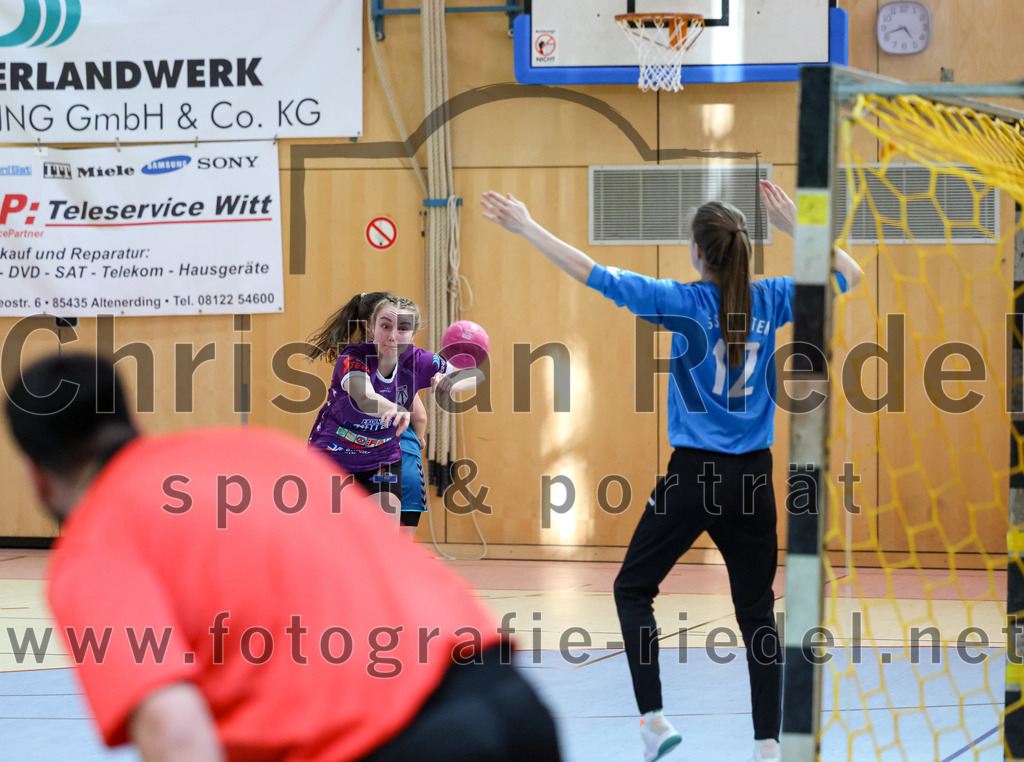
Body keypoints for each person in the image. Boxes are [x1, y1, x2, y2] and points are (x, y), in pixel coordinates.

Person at [3, 352, 562, 761]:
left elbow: (175, 735)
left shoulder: (94, 544)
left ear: (38, 477)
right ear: (131, 423)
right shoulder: (261, 450)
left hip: (388, 745)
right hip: (511, 702)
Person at [482, 182, 862, 762]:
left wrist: (528, 226)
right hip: (754, 480)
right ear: (743, 251)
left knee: (633, 589)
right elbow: (850, 273)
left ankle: (654, 719)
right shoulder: (776, 298)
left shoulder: (680, 302)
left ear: (696, 251)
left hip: (694, 477)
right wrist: (800, 231)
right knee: (757, 614)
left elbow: (593, 273)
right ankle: (767, 746)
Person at [306, 292, 470, 523]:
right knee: (329, 540)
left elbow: (476, 375)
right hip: (333, 455)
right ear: (370, 327)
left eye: (403, 329)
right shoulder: (353, 358)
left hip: (381, 461)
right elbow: (364, 398)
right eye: (385, 326)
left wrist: (450, 381)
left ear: (413, 334)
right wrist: (395, 409)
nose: (393, 336)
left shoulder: (420, 361)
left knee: (385, 531)